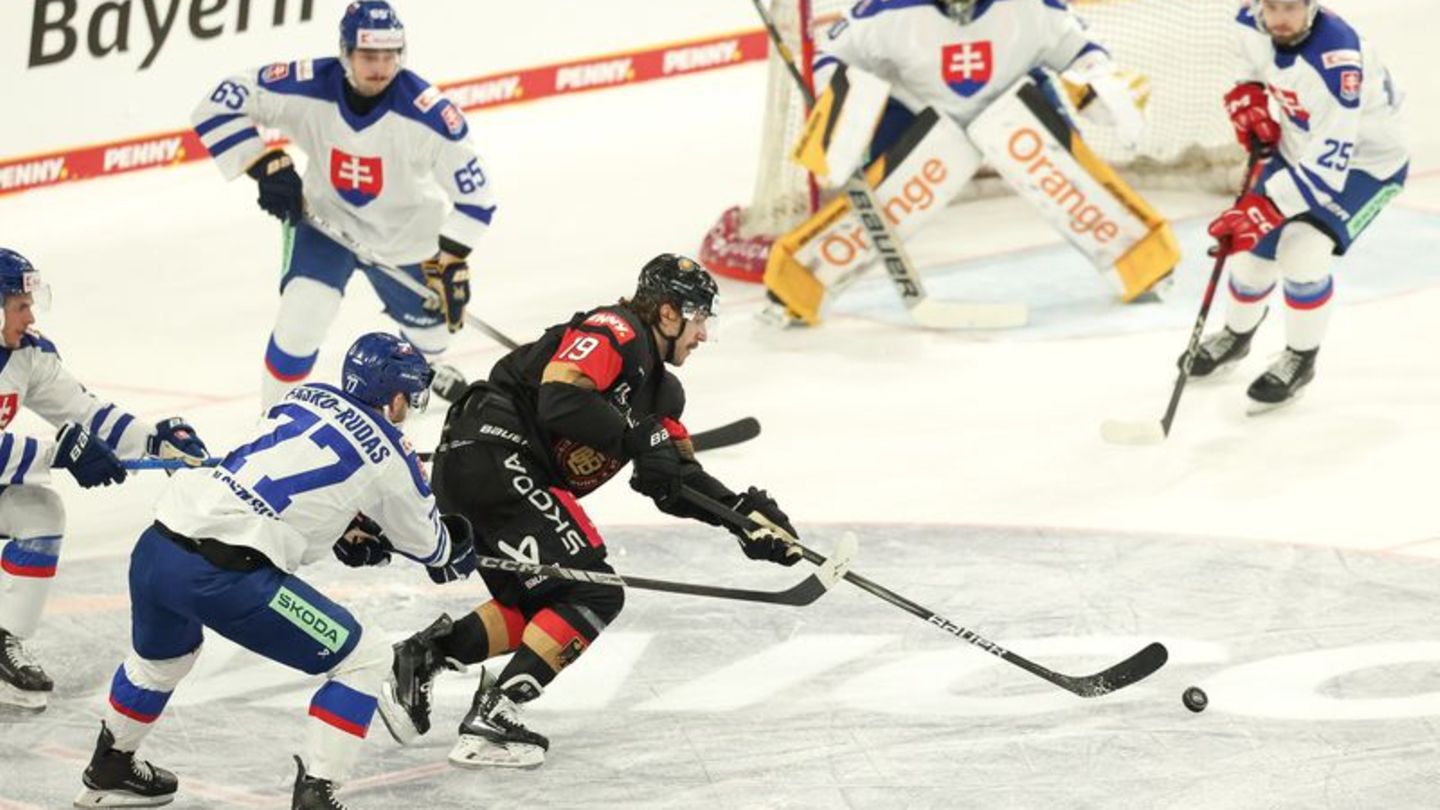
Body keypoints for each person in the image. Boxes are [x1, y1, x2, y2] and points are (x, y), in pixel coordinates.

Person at [371, 255, 802, 770]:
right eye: (700, 317)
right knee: (593, 589)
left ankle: (424, 655)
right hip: (494, 453)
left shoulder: (663, 392)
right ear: (668, 313)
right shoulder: (615, 330)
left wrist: (739, 517)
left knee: (551, 601)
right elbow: (558, 396)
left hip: (492, 470)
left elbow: (673, 481)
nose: (703, 334)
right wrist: (632, 434)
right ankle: (493, 714)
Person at [74, 333, 477, 810]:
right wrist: (461, 544)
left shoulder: (301, 397)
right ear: (394, 399)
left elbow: (278, 478)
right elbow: (432, 547)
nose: (408, 408)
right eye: (408, 399)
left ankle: (111, 766)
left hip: (157, 548)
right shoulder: (393, 453)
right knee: (365, 658)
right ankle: (316, 797)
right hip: (226, 578)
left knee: (162, 661)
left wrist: (340, 528)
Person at [705, 0, 1171, 324]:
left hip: (1013, 107)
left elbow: (1087, 54)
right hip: (917, 113)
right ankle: (796, 286)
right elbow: (831, 54)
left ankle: (1143, 261)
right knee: (884, 201)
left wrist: (1100, 83)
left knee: (1043, 151)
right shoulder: (888, 11)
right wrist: (839, 100)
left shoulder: (1035, 8)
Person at [191, 0, 496, 411]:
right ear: (345, 52)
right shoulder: (308, 84)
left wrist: (452, 257)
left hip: (406, 238)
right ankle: (275, 419)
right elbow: (216, 104)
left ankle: (430, 366)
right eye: (369, 56)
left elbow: (477, 199)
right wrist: (265, 164)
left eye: (389, 56)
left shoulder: (431, 115)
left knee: (432, 339)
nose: (380, 68)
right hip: (328, 224)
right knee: (300, 322)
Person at [0, 248, 208, 714]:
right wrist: (59, 451)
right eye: (19, 305)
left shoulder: (27, 353)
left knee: (40, 513)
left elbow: (84, 412)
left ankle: (2, 641)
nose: (30, 316)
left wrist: (153, 442)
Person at [1190, 0, 1407, 410]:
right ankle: (1236, 336)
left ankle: (1300, 358)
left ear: (1311, 6)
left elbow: (1328, 172)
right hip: (1296, 151)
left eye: (1291, 7)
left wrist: (1263, 209)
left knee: (1302, 249)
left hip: (1365, 166)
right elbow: (1250, 63)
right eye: (1272, 7)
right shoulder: (1250, 20)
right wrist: (1249, 94)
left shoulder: (1335, 63)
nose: (1280, 19)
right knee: (1252, 256)